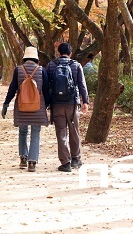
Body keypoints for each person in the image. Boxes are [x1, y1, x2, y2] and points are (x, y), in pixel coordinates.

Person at [1, 47, 49, 172]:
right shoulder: (41, 70)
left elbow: (12, 88)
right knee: (35, 134)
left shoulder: (18, 70)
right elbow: (47, 90)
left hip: (22, 106)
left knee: (22, 132)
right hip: (37, 107)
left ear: (25, 57)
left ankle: (23, 157)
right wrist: (48, 105)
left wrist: (6, 103)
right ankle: (32, 161)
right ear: (36, 58)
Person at [47, 42, 89, 172]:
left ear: (58, 53)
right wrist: (85, 101)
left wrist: (48, 103)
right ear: (70, 53)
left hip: (57, 104)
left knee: (61, 132)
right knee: (74, 130)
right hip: (72, 103)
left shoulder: (51, 65)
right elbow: (82, 84)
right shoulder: (76, 65)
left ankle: (65, 162)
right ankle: (76, 159)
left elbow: (47, 86)